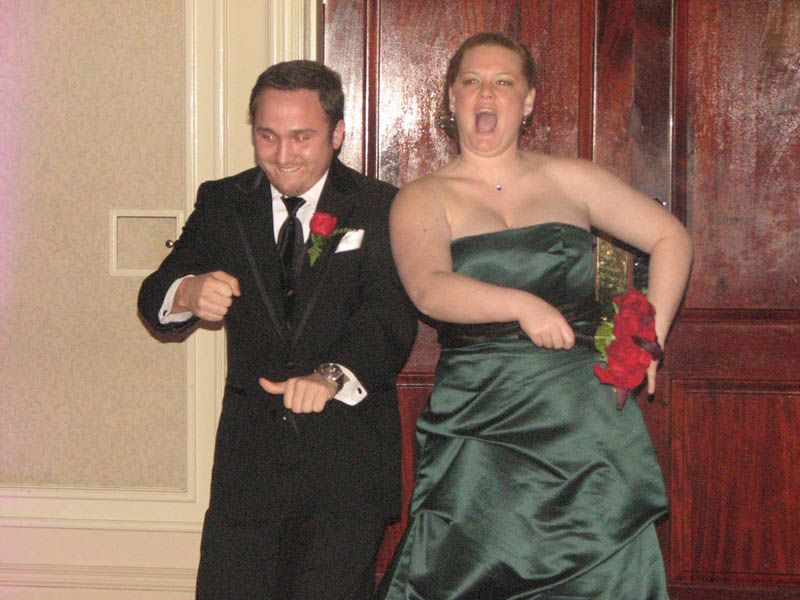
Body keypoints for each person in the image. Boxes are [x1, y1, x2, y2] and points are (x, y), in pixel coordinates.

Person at [376, 32, 692, 599]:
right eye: (471, 82)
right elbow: (429, 289)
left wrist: (648, 338)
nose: (486, 94)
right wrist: (521, 305)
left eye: (503, 82)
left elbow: (670, 238)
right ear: (451, 98)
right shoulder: (422, 197)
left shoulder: (572, 179)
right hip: (480, 419)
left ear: (527, 101)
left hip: (583, 424)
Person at [138, 60, 418, 599]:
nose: (283, 154)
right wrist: (188, 291)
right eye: (267, 135)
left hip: (345, 469)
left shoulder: (381, 206)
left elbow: (388, 319)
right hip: (249, 473)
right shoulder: (224, 202)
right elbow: (155, 297)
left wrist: (330, 375)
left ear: (337, 133)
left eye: (301, 137)